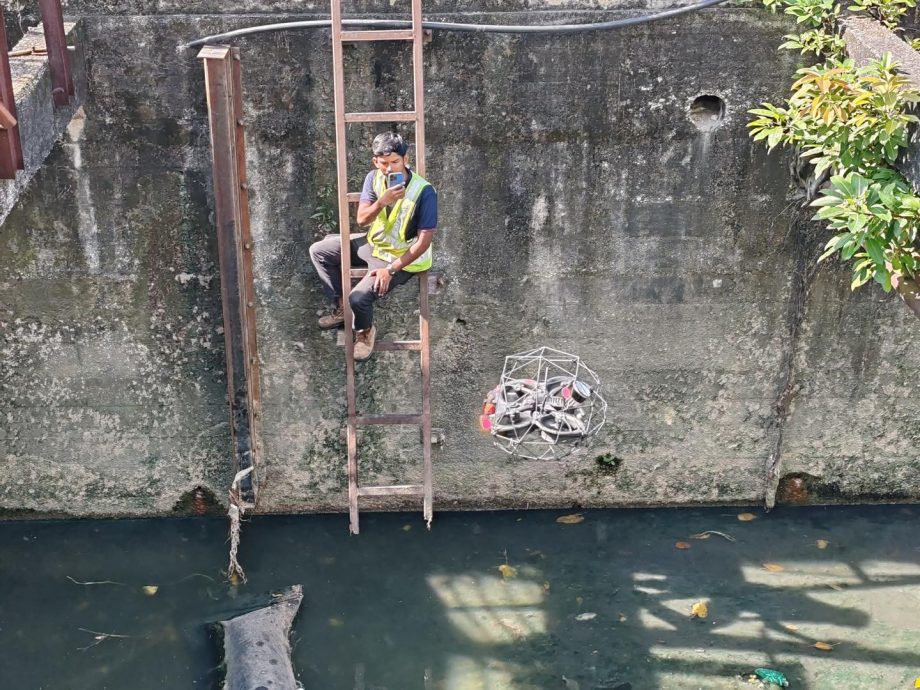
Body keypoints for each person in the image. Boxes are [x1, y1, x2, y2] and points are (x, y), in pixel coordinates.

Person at [309, 132, 438, 361]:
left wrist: (390, 270)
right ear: (375, 162)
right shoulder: (373, 178)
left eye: (395, 162)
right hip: (376, 245)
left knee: (358, 298)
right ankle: (340, 309)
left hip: (403, 258)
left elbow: (424, 242)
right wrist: (382, 202)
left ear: (406, 159)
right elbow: (362, 219)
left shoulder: (424, 191)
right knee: (319, 251)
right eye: (383, 163)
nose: (389, 169)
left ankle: (365, 333)